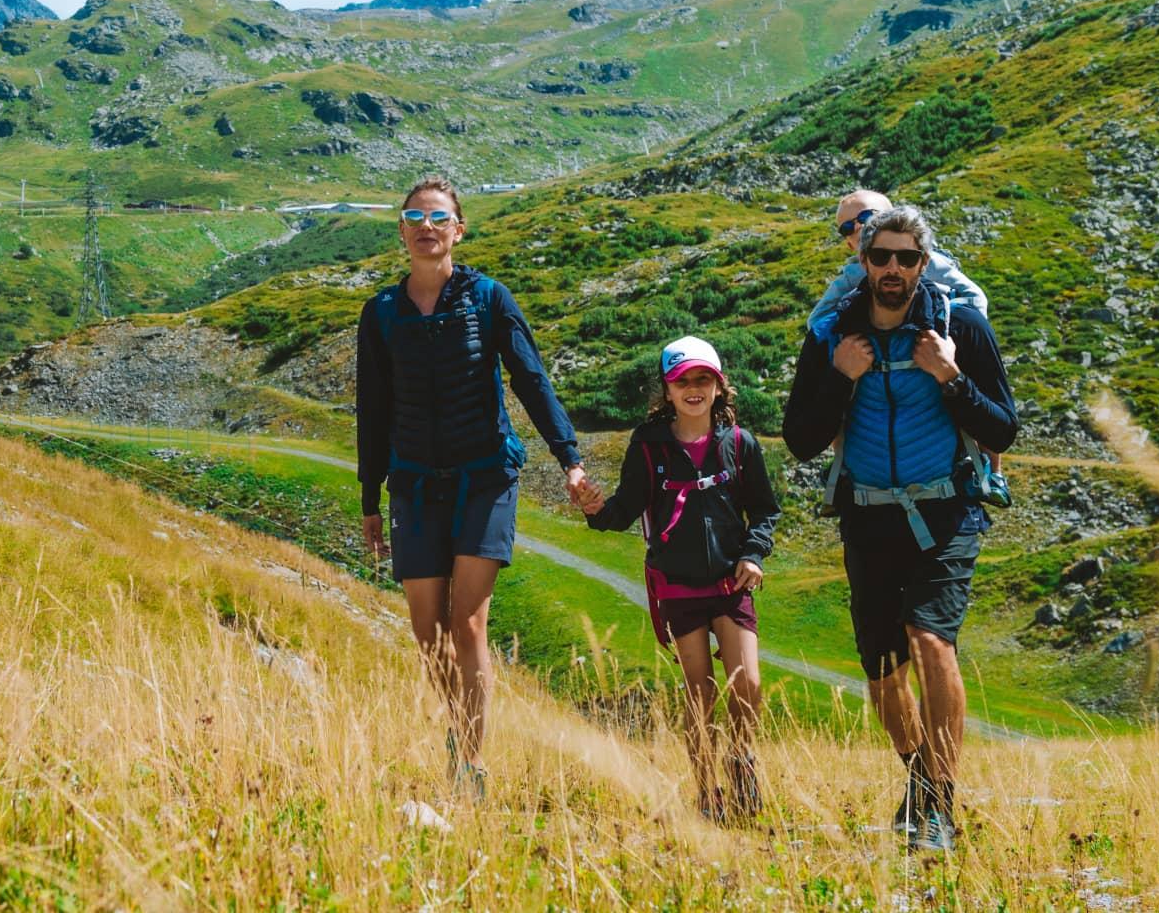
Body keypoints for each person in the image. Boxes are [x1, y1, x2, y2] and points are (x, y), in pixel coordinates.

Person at [782, 205, 1017, 855]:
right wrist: (839, 376)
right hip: (868, 514)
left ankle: (938, 802)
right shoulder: (833, 333)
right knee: (882, 671)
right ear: (862, 260)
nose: (892, 269)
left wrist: (952, 377)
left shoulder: (959, 326)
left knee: (930, 640)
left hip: (948, 511)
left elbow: (1003, 428)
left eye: (905, 258)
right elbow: (800, 438)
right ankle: (920, 779)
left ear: (923, 263)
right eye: (880, 256)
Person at [357, 175, 599, 800]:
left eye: (438, 218)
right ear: (402, 232)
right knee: (426, 632)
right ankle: (459, 726)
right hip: (412, 485)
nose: (426, 227)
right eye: (414, 217)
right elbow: (372, 411)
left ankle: (468, 763)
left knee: (466, 624)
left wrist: (569, 459)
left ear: (458, 230)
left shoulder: (489, 298)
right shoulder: (381, 312)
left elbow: (531, 379)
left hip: (485, 479)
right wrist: (369, 502)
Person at [580, 336, 779, 821]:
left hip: (732, 584)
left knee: (747, 683)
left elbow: (767, 512)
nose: (694, 389)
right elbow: (628, 506)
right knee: (699, 691)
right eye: (682, 380)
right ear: (667, 390)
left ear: (719, 386)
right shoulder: (648, 445)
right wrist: (596, 511)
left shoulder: (739, 444)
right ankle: (706, 790)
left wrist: (753, 556)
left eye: (703, 379)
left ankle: (742, 763)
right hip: (677, 584)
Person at [808, 188, 987, 341]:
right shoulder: (851, 274)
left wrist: (960, 340)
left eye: (867, 215)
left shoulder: (925, 260)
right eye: (847, 227)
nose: (859, 226)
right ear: (850, 245)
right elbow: (817, 321)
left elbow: (975, 297)